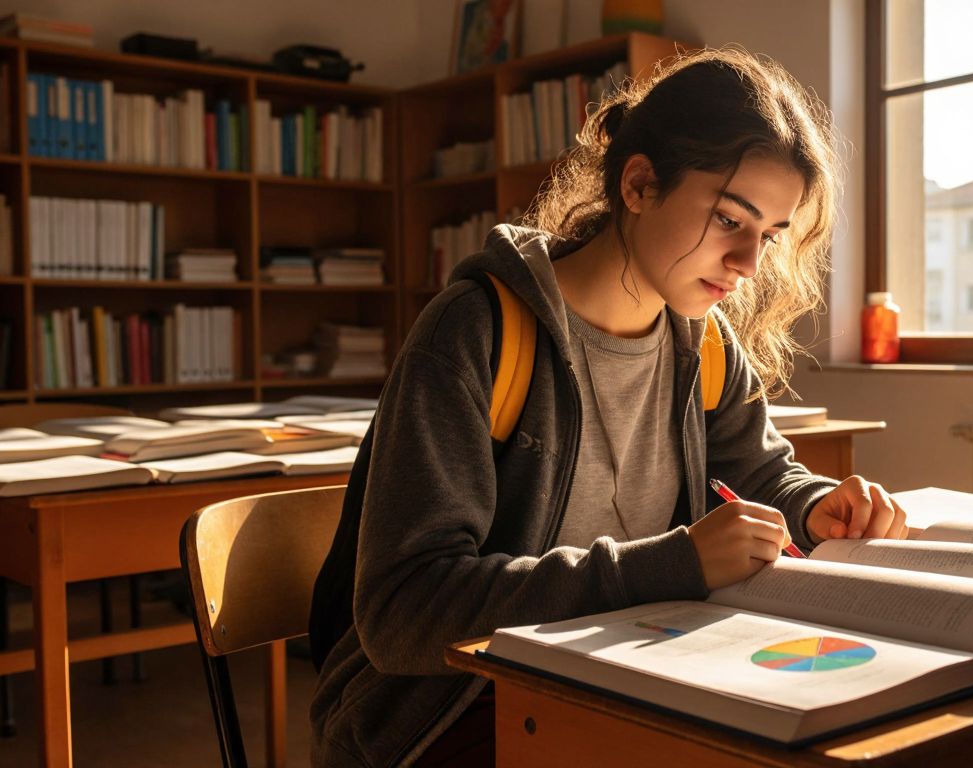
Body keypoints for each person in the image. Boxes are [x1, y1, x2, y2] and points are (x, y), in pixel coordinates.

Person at [307, 46, 909, 766]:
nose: (749, 265)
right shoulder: (476, 332)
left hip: (621, 677)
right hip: (442, 716)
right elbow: (403, 612)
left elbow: (759, 472)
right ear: (639, 185)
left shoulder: (702, 342)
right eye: (728, 221)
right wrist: (672, 564)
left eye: (768, 236)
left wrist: (815, 507)